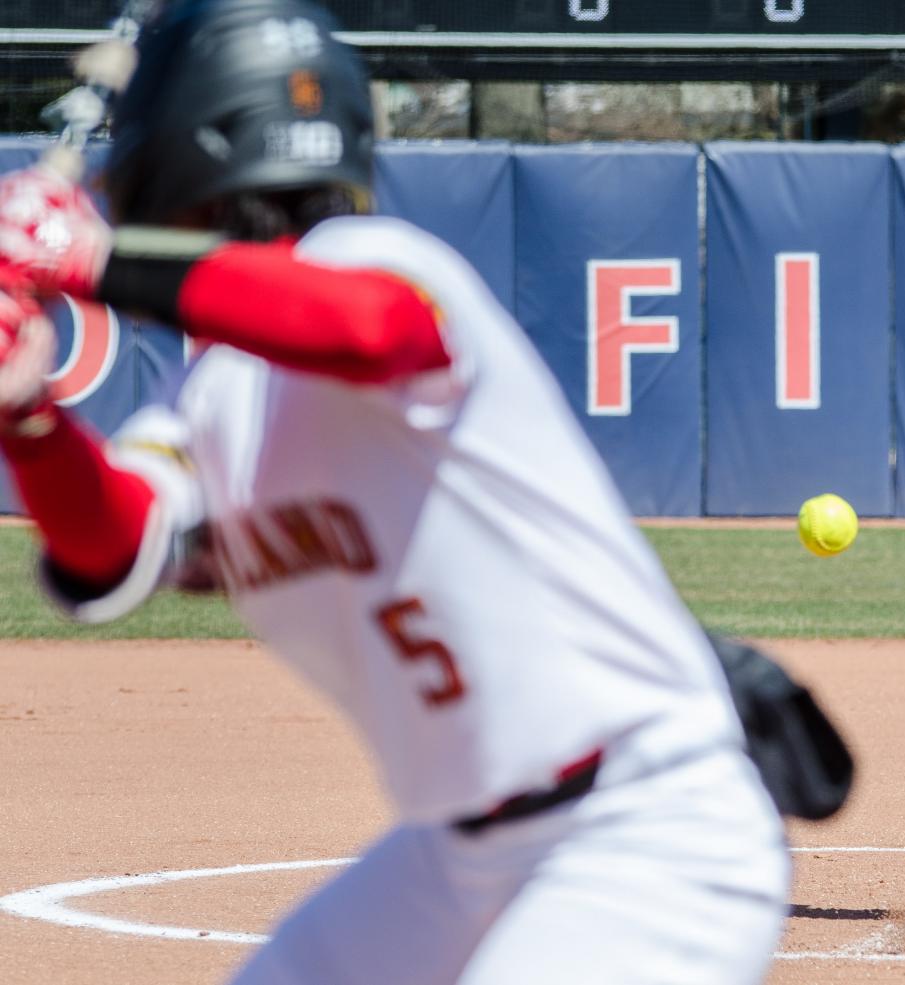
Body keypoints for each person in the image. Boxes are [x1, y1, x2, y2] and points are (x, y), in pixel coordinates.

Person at [0, 1, 789, 982]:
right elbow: (112, 551)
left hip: (646, 829)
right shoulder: (205, 393)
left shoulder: (378, 266)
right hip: (457, 852)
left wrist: (91, 260)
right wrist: (26, 414)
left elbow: (371, 331)